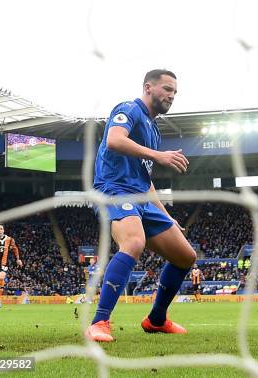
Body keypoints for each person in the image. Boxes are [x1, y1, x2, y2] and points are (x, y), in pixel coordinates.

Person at [85, 69, 197, 342]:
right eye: (167, 89)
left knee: (186, 256)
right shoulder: (128, 109)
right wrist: (158, 155)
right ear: (148, 87)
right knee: (134, 242)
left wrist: (167, 216)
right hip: (114, 190)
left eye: (174, 92)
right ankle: (99, 322)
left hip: (141, 197)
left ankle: (156, 320)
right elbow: (114, 140)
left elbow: (146, 183)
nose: (171, 96)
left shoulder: (154, 130)